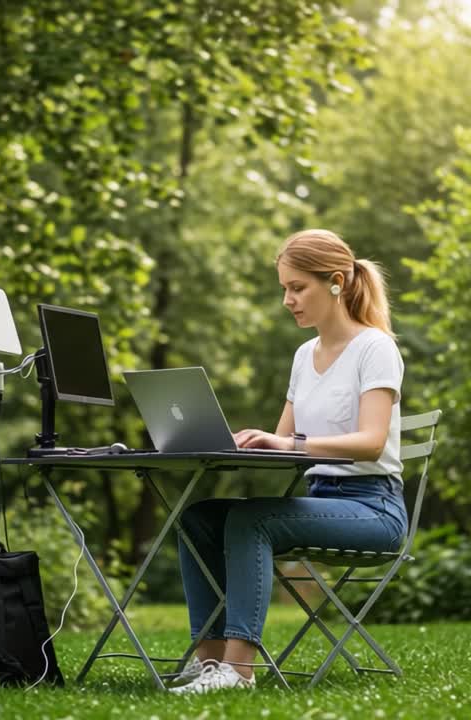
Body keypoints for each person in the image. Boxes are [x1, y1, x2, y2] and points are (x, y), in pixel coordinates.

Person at [169, 228, 408, 694]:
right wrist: (242, 442)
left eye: (298, 288)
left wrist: (289, 445)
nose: (288, 300)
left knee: (251, 521)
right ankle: (211, 664)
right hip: (319, 501)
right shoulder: (304, 356)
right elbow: (282, 441)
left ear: (336, 282)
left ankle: (239, 672)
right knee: (198, 518)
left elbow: (371, 442)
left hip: (374, 509)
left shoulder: (375, 348)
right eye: (285, 288)